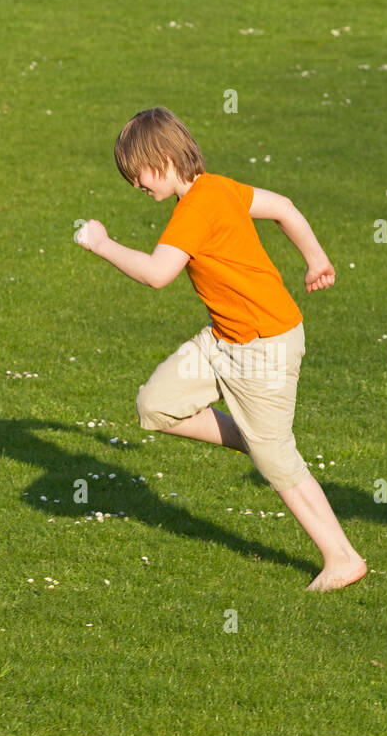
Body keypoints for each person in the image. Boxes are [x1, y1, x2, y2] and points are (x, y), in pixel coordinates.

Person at [75, 106, 367, 591]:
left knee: (277, 459)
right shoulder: (218, 187)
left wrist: (101, 243)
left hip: (267, 345)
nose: (135, 185)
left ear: (165, 158)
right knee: (156, 405)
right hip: (223, 339)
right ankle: (257, 437)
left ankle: (342, 558)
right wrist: (316, 260)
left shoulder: (196, 209)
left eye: (137, 174)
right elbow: (285, 206)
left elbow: (156, 274)